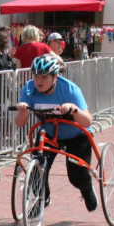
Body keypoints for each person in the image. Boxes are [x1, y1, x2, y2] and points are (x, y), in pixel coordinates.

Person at [15, 53, 97, 212]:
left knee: (76, 177)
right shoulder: (29, 88)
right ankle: (42, 200)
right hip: (50, 133)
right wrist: (23, 111)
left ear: (55, 77)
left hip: (76, 135)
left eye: (44, 77)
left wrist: (75, 110)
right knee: (37, 170)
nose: (38, 81)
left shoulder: (70, 89)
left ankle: (86, 190)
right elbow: (20, 123)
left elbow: (87, 121)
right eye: (36, 76)